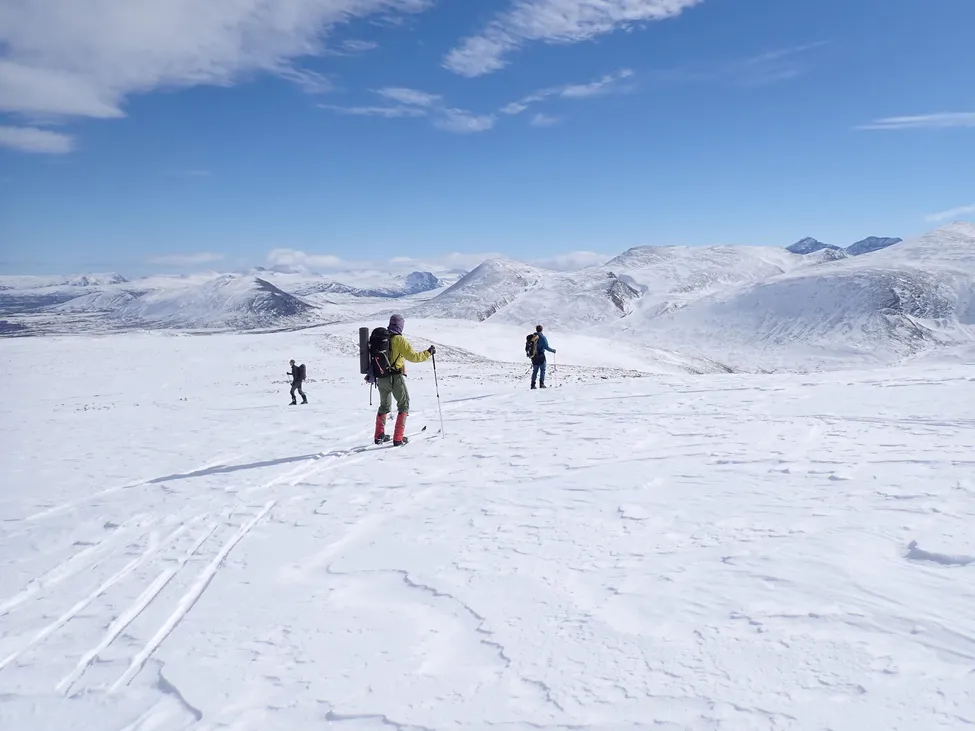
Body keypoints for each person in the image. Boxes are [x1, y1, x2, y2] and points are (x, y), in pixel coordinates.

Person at [374, 314, 435, 446]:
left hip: (381, 378)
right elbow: (413, 357)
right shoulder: (399, 339)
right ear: (400, 325)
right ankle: (398, 438)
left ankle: (379, 436)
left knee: (384, 406)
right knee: (404, 405)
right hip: (395, 377)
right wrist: (428, 352)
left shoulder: (381, 338)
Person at [528, 324, 556, 390]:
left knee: (535, 371)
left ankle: (533, 385)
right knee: (542, 370)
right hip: (541, 356)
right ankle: (541, 384)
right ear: (542, 330)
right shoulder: (543, 338)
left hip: (534, 356)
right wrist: (553, 350)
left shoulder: (532, 337)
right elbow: (546, 347)